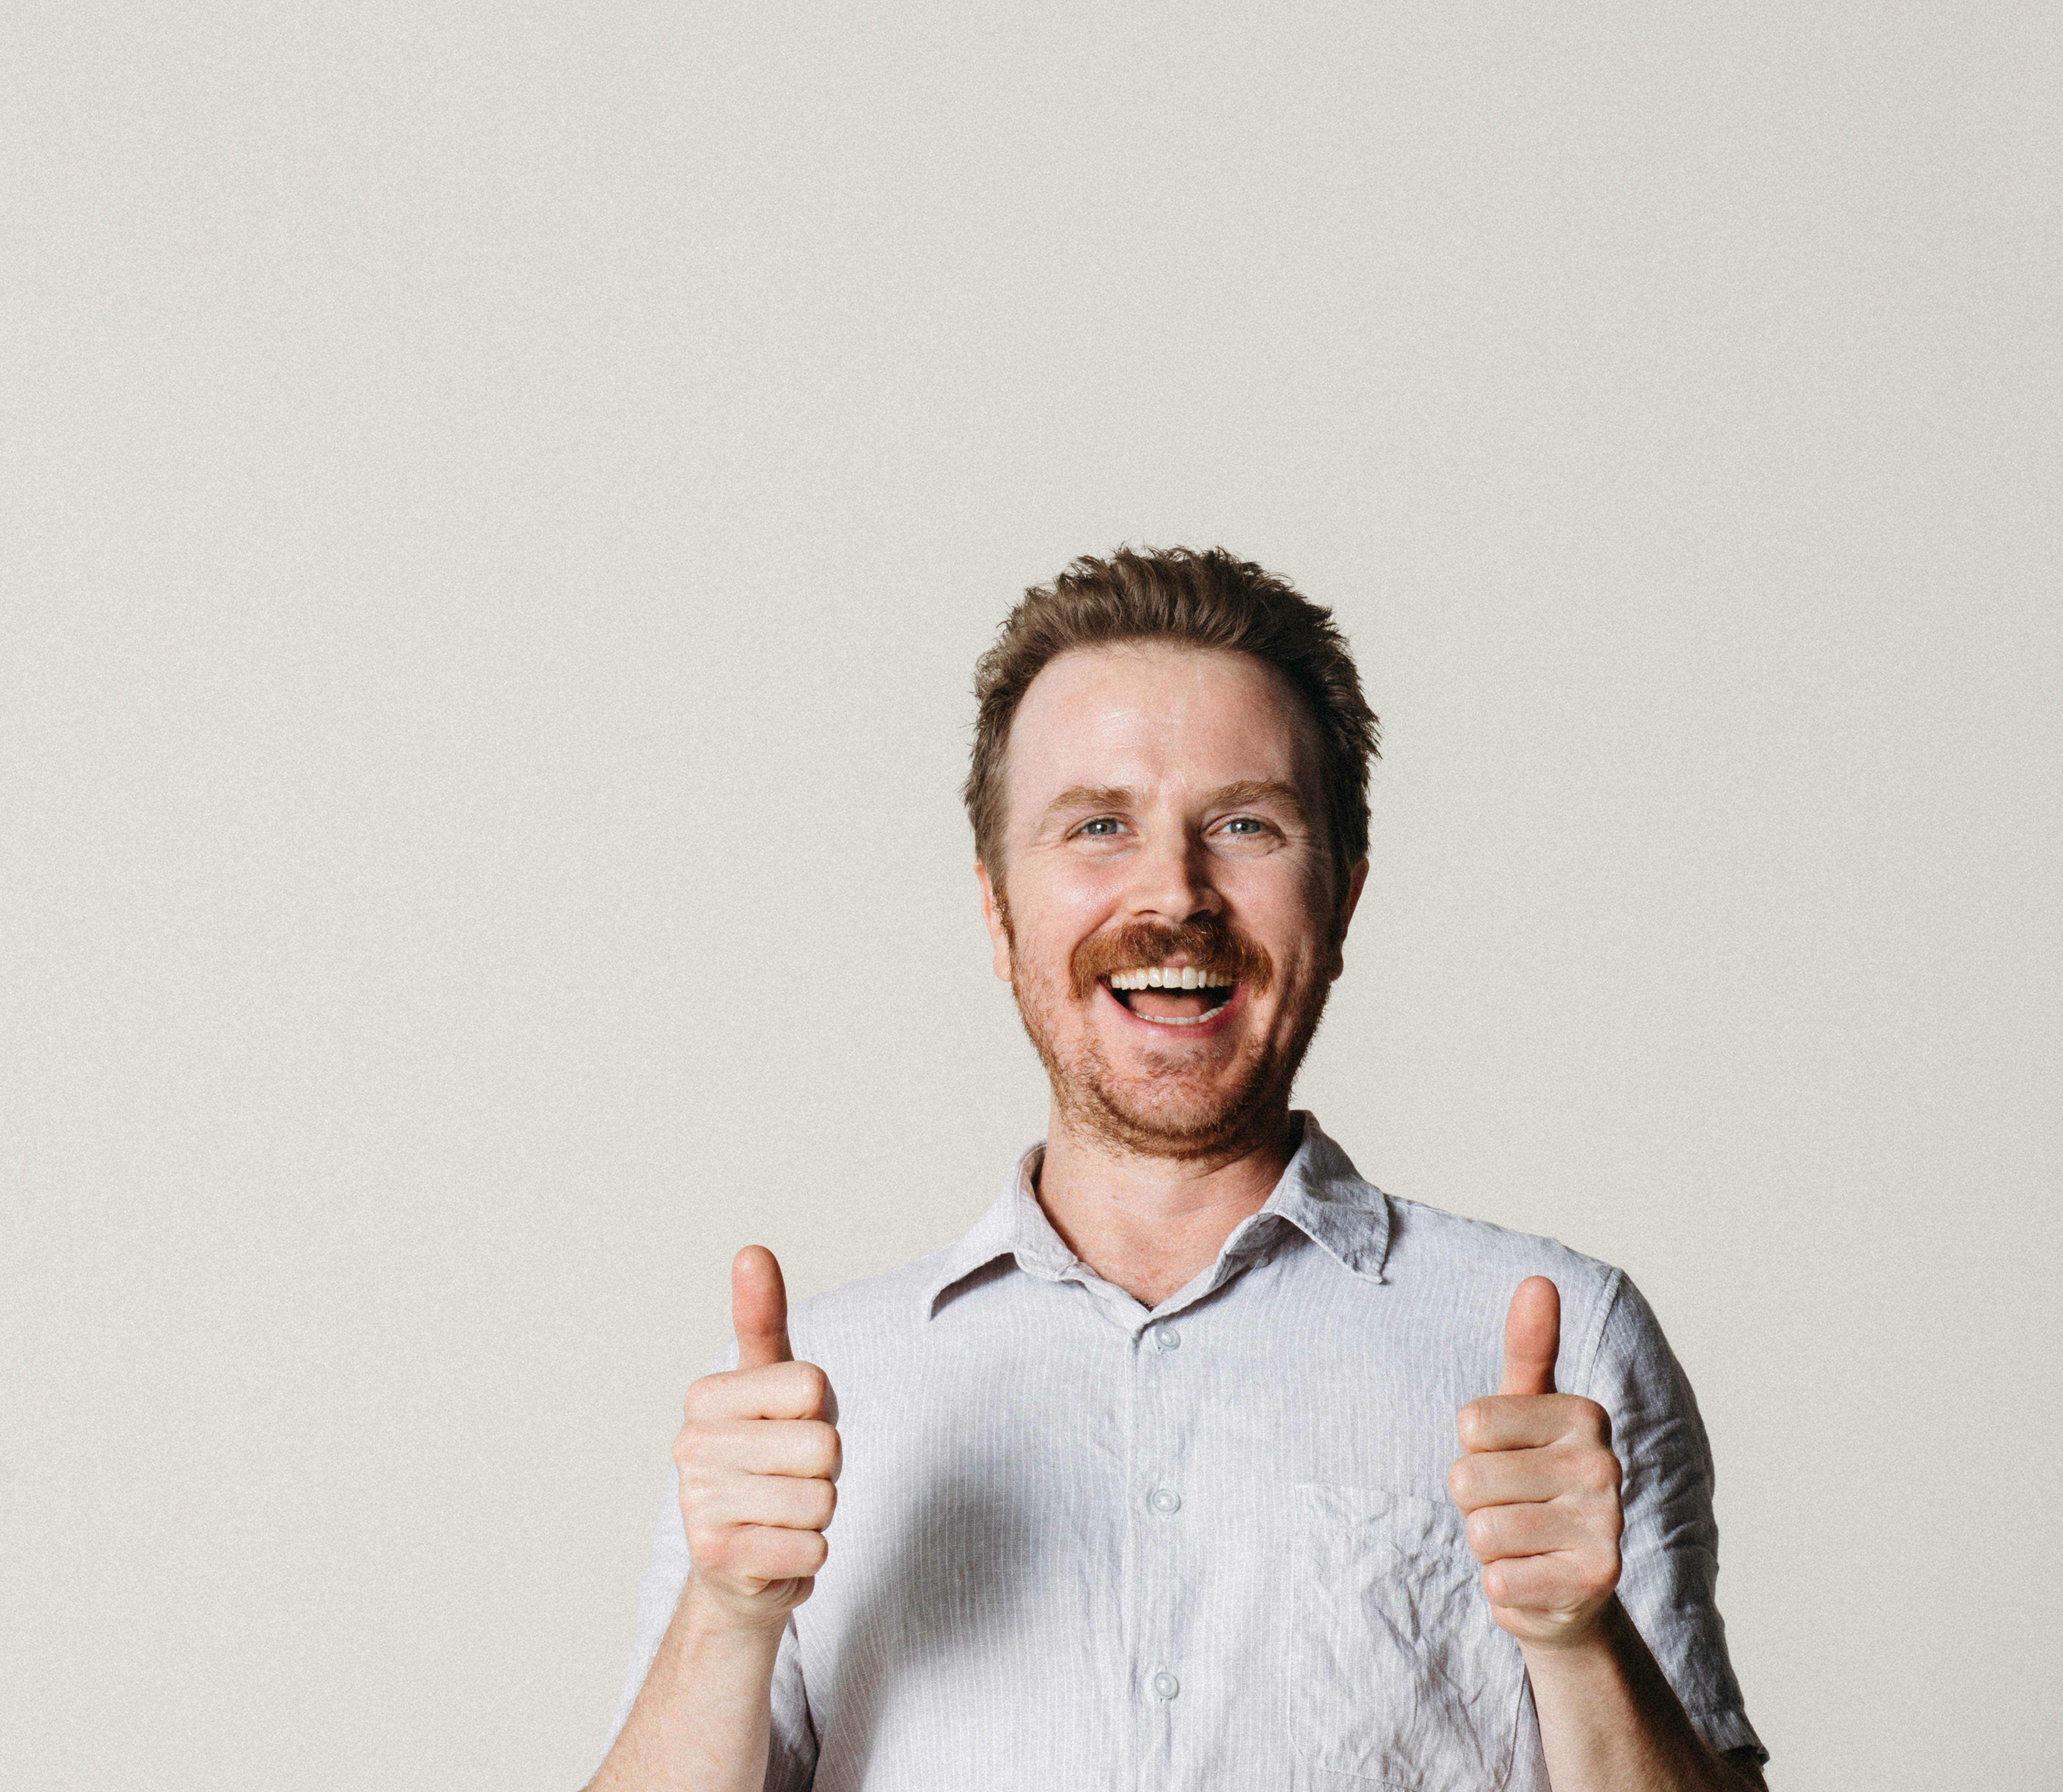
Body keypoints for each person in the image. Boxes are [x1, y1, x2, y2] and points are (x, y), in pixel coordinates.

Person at [589, 548, 1767, 1791]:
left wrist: (1580, 1643)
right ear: (997, 912)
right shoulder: (806, 1402)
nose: (1175, 893)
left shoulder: (1567, 1347)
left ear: (1343, 902)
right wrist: (727, 1617)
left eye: (1246, 825)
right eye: (1099, 826)